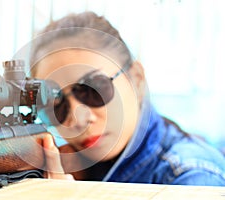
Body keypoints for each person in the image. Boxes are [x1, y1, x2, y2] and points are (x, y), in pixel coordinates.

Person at [28, 11, 225, 185]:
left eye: (92, 89)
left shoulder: (192, 179)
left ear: (136, 79)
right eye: (55, 104)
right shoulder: (73, 169)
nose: (77, 120)